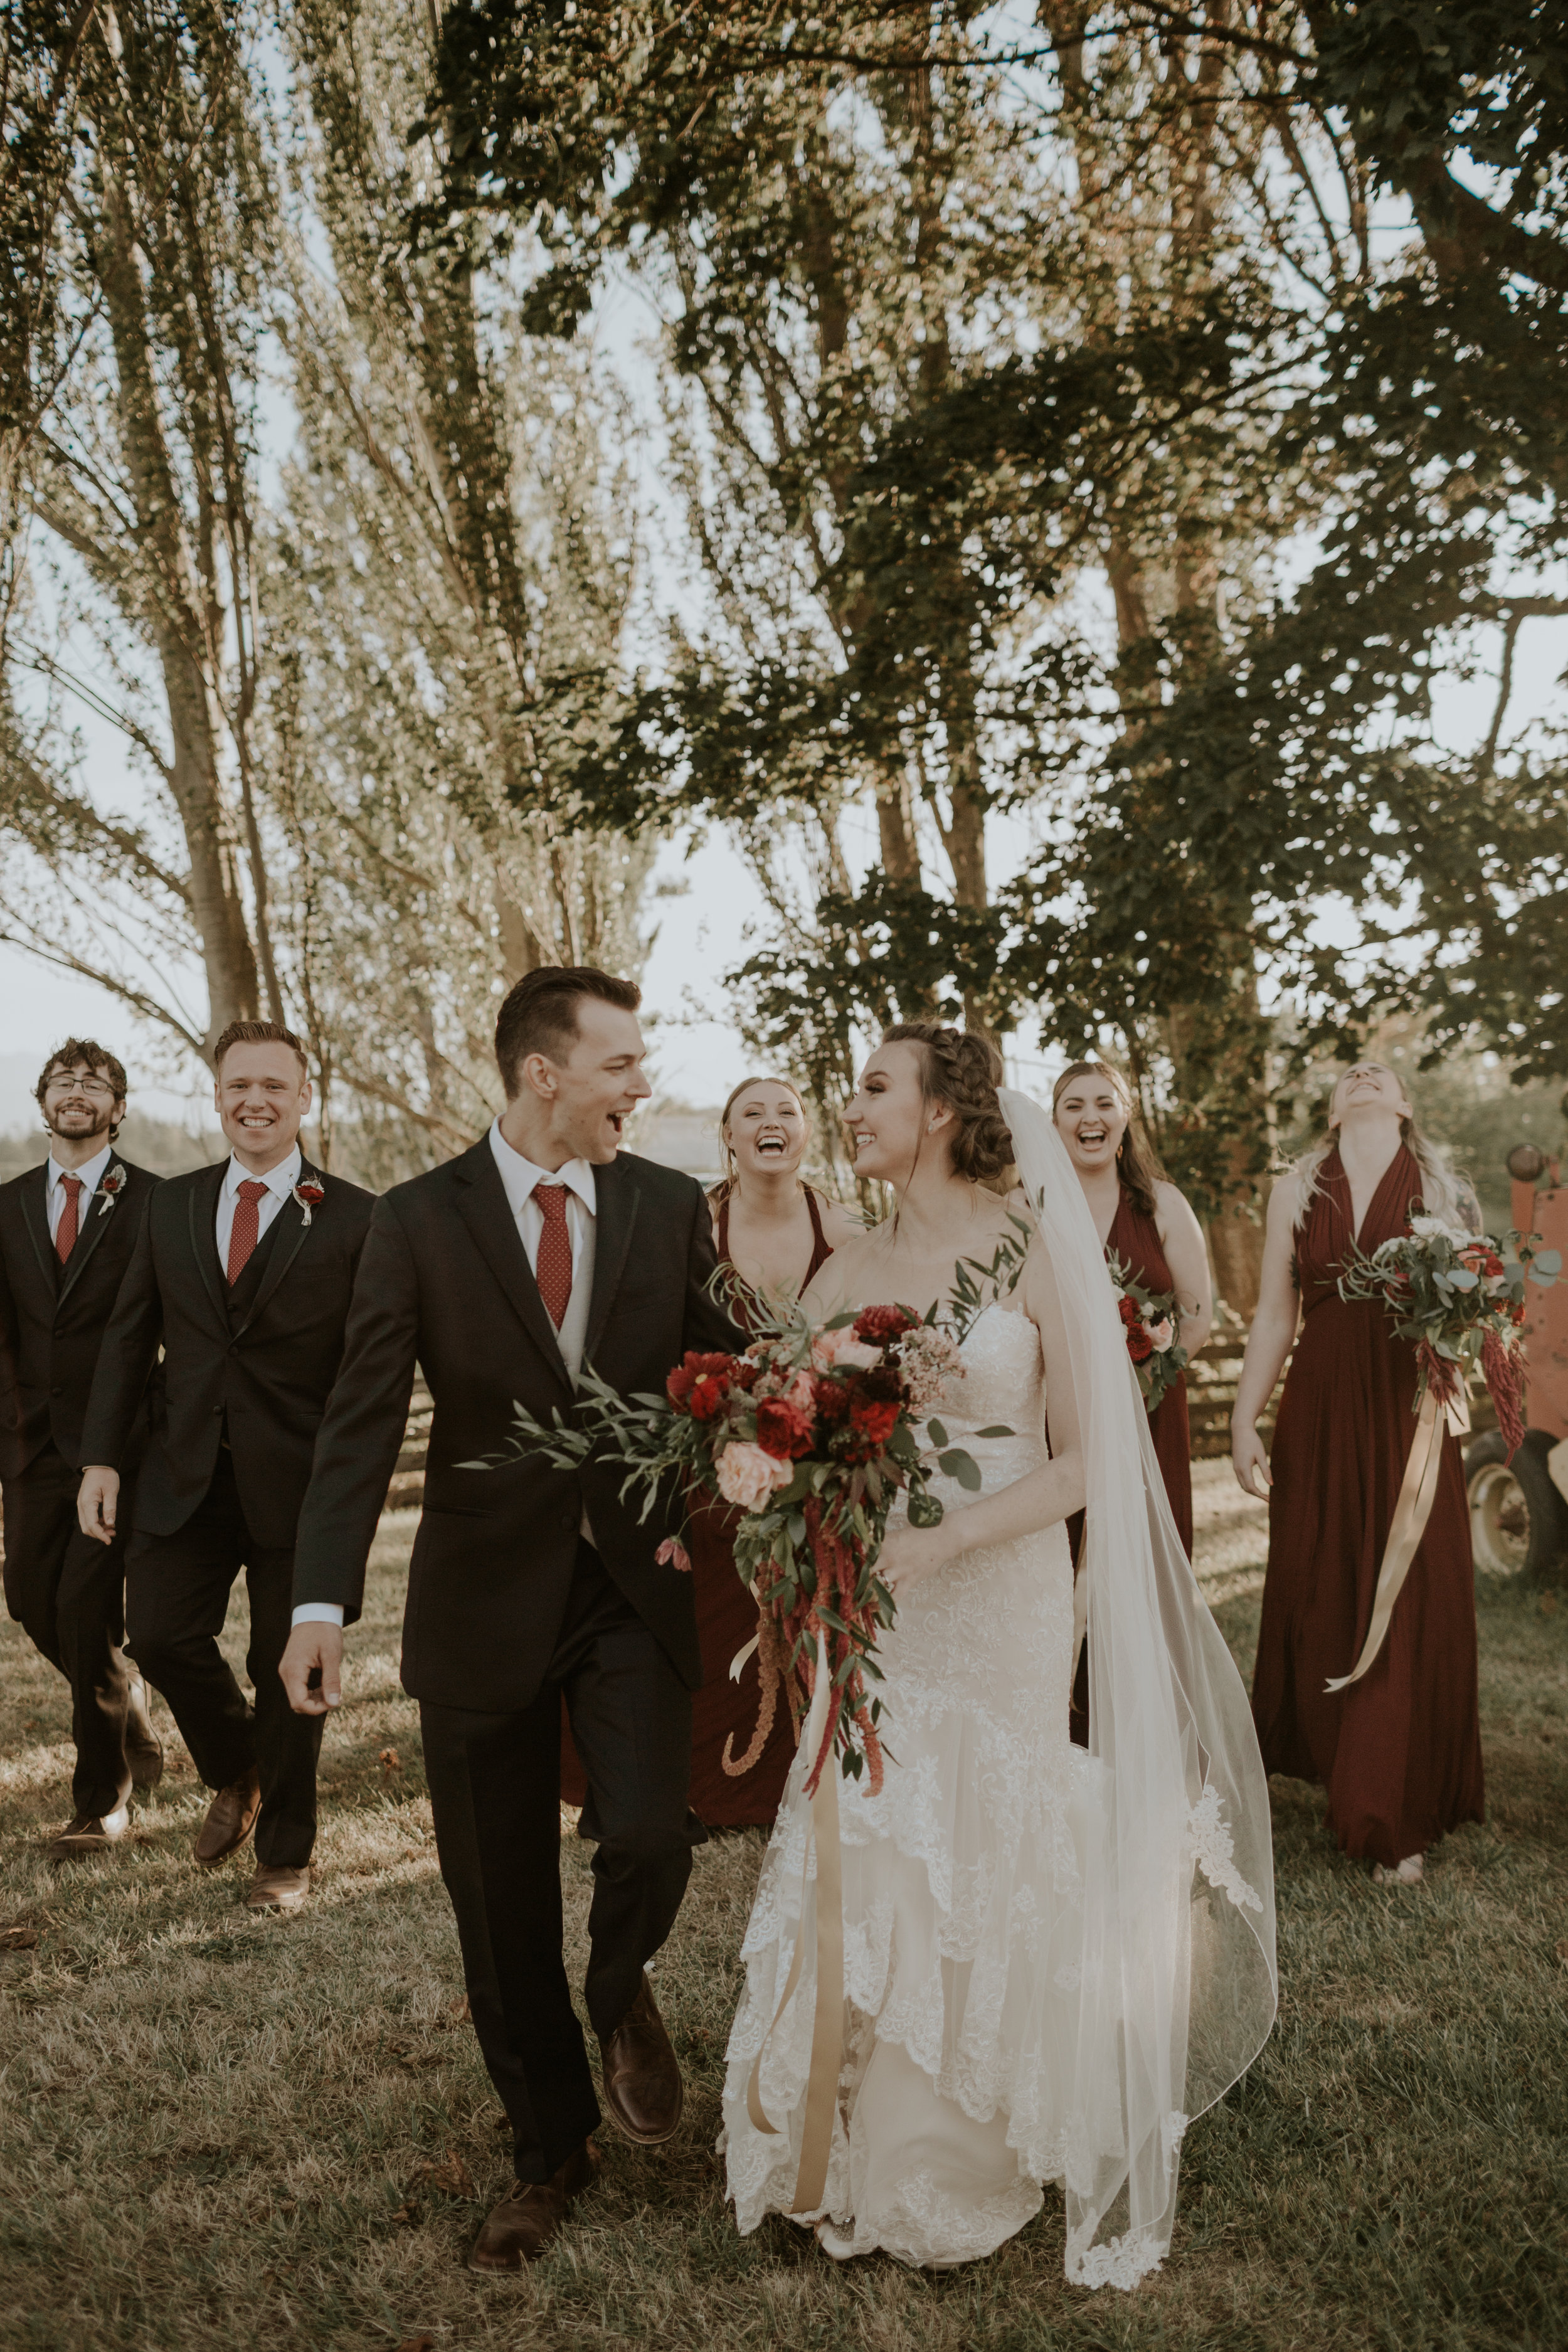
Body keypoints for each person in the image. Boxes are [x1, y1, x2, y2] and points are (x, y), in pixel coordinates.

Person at [723, 1028, 1276, 2284]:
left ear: (936, 1111)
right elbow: (788, 1425)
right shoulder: (846, 1263)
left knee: (976, 1841)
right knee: (861, 1834)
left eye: (872, 1087)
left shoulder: (1032, 1247)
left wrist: (955, 1533)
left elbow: (1090, 1464)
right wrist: (784, 1498)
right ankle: (827, 2140)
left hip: (1003, 1590)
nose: (848, 1107)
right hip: (879, 1601)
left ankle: (948, 2152)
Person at [278, 967, 745, 2274]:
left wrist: (811, 1420)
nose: (638, 1089)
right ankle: (546, 2154)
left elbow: (727, 1371)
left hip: (627, 1591)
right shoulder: (420, 1220)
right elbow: (362, 1417)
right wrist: (320, 1601)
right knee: (496, 1902)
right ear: (546, 1073)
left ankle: (617, 1990)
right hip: (480, 1600)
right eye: (620, 1067)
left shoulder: (664, 1205)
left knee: (650, 1832)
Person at [77, 1021, 374, 1912]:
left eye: (275, 1086)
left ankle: (285, 1857)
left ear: (305, 1096)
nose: (256, 1100)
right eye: (239, 1083)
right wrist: (102, 1456)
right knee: (162, 1634)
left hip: (302, 1479)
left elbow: (368, 1365)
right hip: (181, 1468)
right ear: (217, 1095)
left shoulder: (358, 1215)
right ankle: (239, 1765)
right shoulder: (171, 1205)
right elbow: (131, 1334)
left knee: (287, 1666)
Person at [559, 1074, 858, 1827]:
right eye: (750, 1113)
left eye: (785, 1111)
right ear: (727, 1137)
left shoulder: (847, 1229)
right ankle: (691, 1781)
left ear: (805, 1134)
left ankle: (801, 1769)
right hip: (711, 1443)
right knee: (707, 1604)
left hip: (813, 1442)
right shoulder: (691, 1216)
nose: (770, 1122)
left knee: (809, 1597)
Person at [1234, 1060, 1484, 1885]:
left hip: (1412, 1405)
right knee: (1332, 1574)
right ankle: (1344, 1756)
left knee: (1408, 1580)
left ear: (1406, 1103)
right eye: (1349, 1075)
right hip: (1325, 1399)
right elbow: (1276, 1312)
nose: (1364, 1075)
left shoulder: (1443, 1191)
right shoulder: (1298, 1189)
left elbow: (1480, 1316)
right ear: (1333, 1110)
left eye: (1382, 1073)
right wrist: (1244, 1418)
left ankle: (1393, 1801)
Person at [0, 1042, 164, 1859]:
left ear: (117, 1107)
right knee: (29, 1597)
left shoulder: (158, 1204)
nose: (76, 1092)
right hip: (29, 1444)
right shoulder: (8, 1204)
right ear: (43, 1100)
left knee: (84, 1613)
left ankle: (101, 1804)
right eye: (63, 1082)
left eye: (93, 1084)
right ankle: (128, 1699)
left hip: (121, 1444)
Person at [1052, 1059, 1210, 1557]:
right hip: (1062, 1414)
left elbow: (1198, 1315)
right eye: (1073, 1105)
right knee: (1069, 1552)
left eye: (1104, 1102)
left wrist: (1145, 1377)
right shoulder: (1027, 1208)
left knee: (1147, 1553)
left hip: (1151, 1409)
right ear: (1055, 1123)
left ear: (1126, 1115)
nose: (1089, 1117)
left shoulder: (1164, 1203)